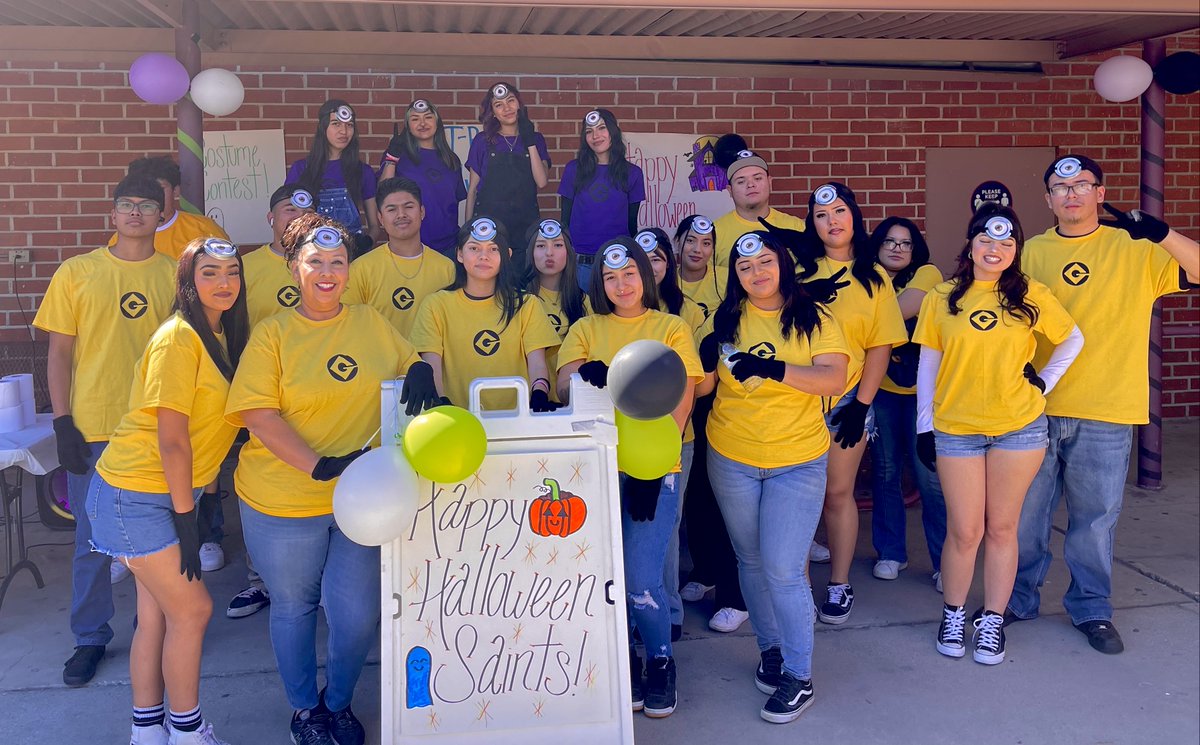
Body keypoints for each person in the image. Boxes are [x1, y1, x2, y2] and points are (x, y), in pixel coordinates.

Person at [225, 213, 440, 745]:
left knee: (356, 614)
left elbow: (407, 361)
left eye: (337, 263)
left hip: (359, 500)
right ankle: (304, 710)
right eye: (315, 262)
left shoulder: (369, 320)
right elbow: (258, 414)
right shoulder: (273, 333)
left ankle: (338, 703)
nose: (327, 273)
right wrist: (317, 465)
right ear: (294, 267)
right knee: (295, 608)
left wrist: (419, 369)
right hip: (283, 500)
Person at [1009, 154, 1199, 654]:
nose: (1070, 193)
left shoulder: (1134, 247)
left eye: (1081, 184)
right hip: (1036, 407)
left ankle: (1091, 609)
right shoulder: (1028, 251)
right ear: (1047, 198)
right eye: (1059, 186)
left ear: (1099, 191)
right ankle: (1016, 601)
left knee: (1094, 521)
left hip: (1109, 408)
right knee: (1027, 517)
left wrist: (1162, 235)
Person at [88, 237, 249, 745]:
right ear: (187, 280)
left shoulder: (218, 334)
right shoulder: (178, 337)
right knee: (193, 609)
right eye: (209, 273)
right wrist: (187, 518)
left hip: (166, 495)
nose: (223, 283)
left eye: (231, 272)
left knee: (157, 613)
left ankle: (148, 730)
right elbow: (172, 439)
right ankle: (187, 730)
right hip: (136, 493)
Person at [915, 206, 1083, 665]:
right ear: (970, 244)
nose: (996, 250)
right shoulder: (943, 296)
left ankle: (991, 619)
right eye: (987, 241)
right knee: (965, 530)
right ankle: (953, 613)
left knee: (1003, 528)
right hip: (956, 430)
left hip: (1019, 429)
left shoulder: (1030, 293)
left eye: (1007, 243)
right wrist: (924, 427)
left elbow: (1073, 339)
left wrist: (1044, 382)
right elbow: (928, 365)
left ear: (1016, 250)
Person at [697, 230, 848, 724]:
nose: (757, 273)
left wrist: (775, 368)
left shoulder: (813, 317)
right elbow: (705, 384)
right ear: (736, 277)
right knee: (752, 562)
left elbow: (833, 378)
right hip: (732, 454)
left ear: (782, 264)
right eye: (745, 268)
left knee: (785, 569)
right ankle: (773, 653)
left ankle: (799, 676)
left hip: (797, 458)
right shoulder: (726, 320)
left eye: (765, 262)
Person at [34, 174, 177, 687]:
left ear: (163, 215)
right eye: (126, 204)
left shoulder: (175, 275)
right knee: (91, 542)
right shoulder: (78, 272)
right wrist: (62, 420)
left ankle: (152, 629)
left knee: (157, 541)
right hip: (92, 427)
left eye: (146, 205)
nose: (136, 212)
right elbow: (59, 352)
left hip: (155, 427)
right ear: (111, 215)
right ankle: (89, 637)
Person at [557, 237, 703, 719]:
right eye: (609, 277)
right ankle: (624, 658)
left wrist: (653, 463)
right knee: (602, 572)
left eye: (629, 274)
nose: (620, 284)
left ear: (646, 274)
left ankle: (660, 660)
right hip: (595, 468)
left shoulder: (670, 327)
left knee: (642, 576)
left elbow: (684, 398)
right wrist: (584, 373)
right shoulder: (584, 327)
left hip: (656, 467)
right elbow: (563, 383)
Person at [802, 183, 907, 625]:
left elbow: (880, 346)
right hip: (798, 398)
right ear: (813, 222)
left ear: (854, 216)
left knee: (838, 493)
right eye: (822, 215)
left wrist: (862, 405)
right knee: (801, 497)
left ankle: (839, 584)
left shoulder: (874, 275)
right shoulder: (797, 270)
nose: (832, 221)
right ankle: (799, 587)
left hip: (849, 399)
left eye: (840, 211)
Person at [225, 183, 319, 620]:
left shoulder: (323, 264)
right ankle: (258, 580)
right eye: (287, 210)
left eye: (306, 211)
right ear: (270, 219)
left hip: (317, 393)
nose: (295, 218)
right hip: (260, 392)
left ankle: (310, 583)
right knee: (261, 477)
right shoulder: (243, 268)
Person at [635, 228, 725, 634]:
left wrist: (669, 437)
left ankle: (668, 610)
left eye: (657, 259)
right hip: (623, 437)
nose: (649, 268)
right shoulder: (602, 308)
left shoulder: (684, 311)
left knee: (668, 525)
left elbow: (699, 381)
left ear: (667, 265)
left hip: (677, 431)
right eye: (642, 258)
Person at [410, 216, 561, 413]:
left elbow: (537, 363)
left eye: (493, 249)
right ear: (460, 254)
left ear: (507, 255)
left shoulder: (526, 304)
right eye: (474, 248)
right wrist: (442, 405)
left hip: (518, 420)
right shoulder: (435, 305)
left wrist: (539, 392)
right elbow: (432, 366)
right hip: (459, 420)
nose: (484, 256)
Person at [868, 217, 948, 587]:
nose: (897, 248)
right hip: (883, 391)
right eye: (889, 242)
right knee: (885, 473)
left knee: (929, 479)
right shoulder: (867, 275)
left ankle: (945, 562)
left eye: (905, 243)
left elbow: (897, 312)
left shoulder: (928, 274)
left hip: (924, 395)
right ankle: (890, 552)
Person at [344, 176, 457, 337]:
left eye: (408, 207)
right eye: (391, 209)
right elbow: (349, 325)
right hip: (379, 361)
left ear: (422, 212)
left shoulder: (446, 268)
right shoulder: (361, 268)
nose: (401, 214)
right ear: (381, 218)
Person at [558, 109, 645, 289]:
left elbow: (631, 224)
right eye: (589, 131)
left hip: (617, 262)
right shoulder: (573, 169)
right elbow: (564, 222)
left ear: (613, 131)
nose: (595, 136)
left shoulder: (633, 173)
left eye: (601, 128)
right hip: (580, 263)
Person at [465, 82, 550, 266]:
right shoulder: (482, 141)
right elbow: (472, 191)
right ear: (493, 112)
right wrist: (467, 233)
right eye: (498, 105)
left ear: (519, 104)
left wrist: (530, 141)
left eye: (510, 101)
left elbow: (542, 181)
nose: (506, 108)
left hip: (525, 229)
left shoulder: (536, 139)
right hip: (489, 231)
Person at [287, 99, 379, 257]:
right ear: (323, 128)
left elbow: (375, 227)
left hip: (351, 257)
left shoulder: (363, 172)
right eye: (336, 124)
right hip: (311, 256)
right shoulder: (301, 169)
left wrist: (366, 243)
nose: (344, 131)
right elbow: (288, 217)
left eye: (349, 125)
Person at [377, 98, 466, 257]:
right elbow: (383, 194)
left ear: (437, 122)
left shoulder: (451, 159)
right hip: (411, 247)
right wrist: (392, 159)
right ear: (408, 126)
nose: (422, 123)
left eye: (428, 117)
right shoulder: (398, 155)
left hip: (449, 246)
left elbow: (456, 202)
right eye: (415, 119)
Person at [108, 156, 230, 260]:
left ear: (175, 191)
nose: (153, 195)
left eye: (160, 188)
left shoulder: (203, 229)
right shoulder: (121, 238)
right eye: (145, 190)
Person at [712, 149, 805, 269]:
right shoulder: (713, 234)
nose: (751, 185)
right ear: (730, 190)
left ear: (770, 182)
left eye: (758, 178)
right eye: (741, 181)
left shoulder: (796, 227)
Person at [521, 218, 590, 379]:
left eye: (558, 245)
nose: (549, 253)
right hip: (530, 397)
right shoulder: (518, 301)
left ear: (569, 252)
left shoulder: (585, 302)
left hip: (571, 398)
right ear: (530, 252)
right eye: (540, 246)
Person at [675, 214, 725, 320]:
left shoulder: (728, 278)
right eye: (690, 241)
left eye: (706, 243)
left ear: (713, 248)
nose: (697, 249)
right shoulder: (664, 280)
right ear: (677, 243)